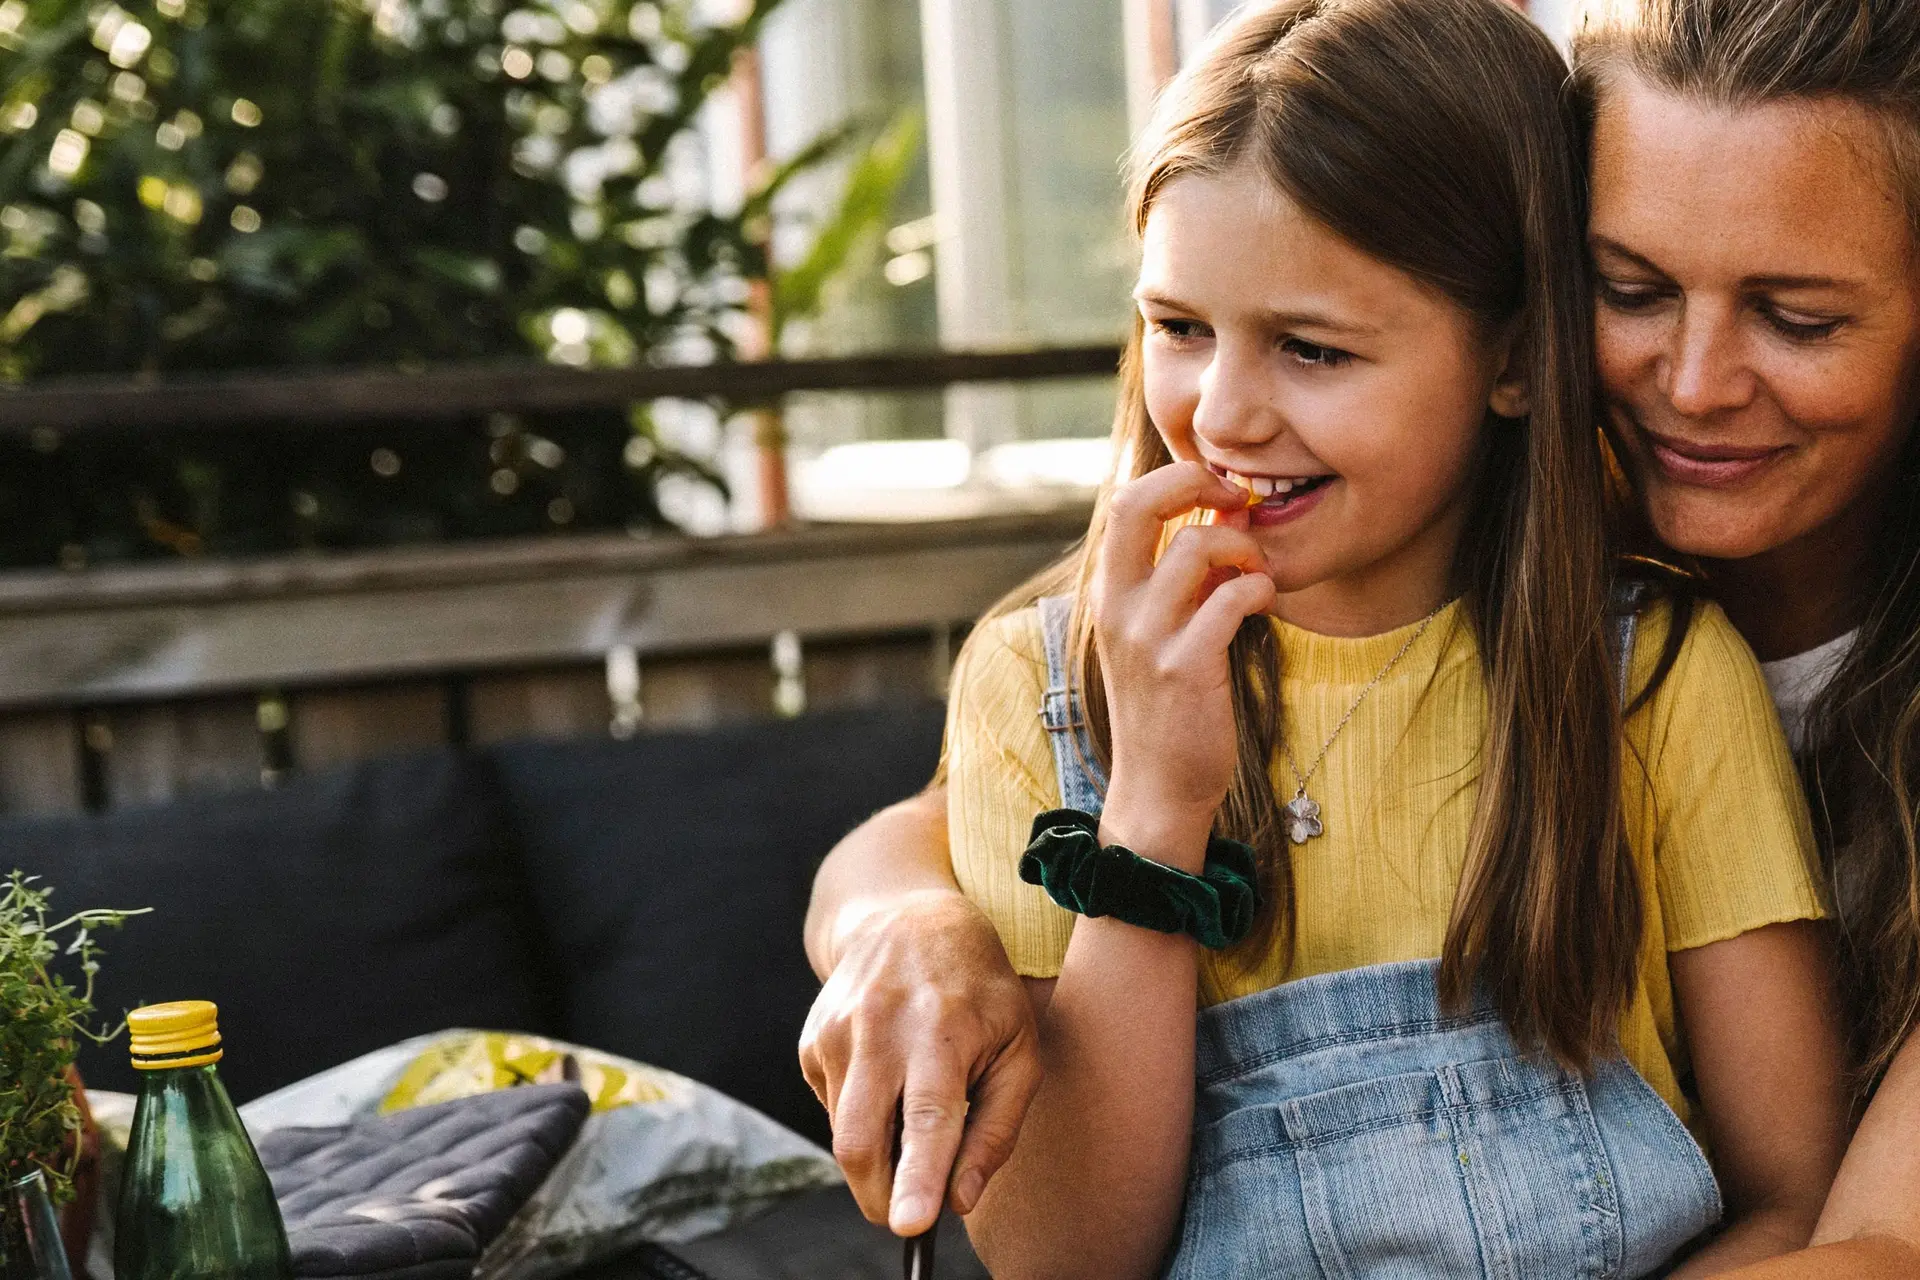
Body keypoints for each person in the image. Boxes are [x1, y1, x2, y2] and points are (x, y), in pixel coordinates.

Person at [802, 0, 1920, 1272]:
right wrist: (931, 899)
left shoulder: (1649, 666)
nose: (1695, 382)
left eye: (1800, 316)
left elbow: (1853, 1234)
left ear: (1510, 351)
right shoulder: (1073, 677)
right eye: (1632, 290)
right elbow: (1058, 1244)